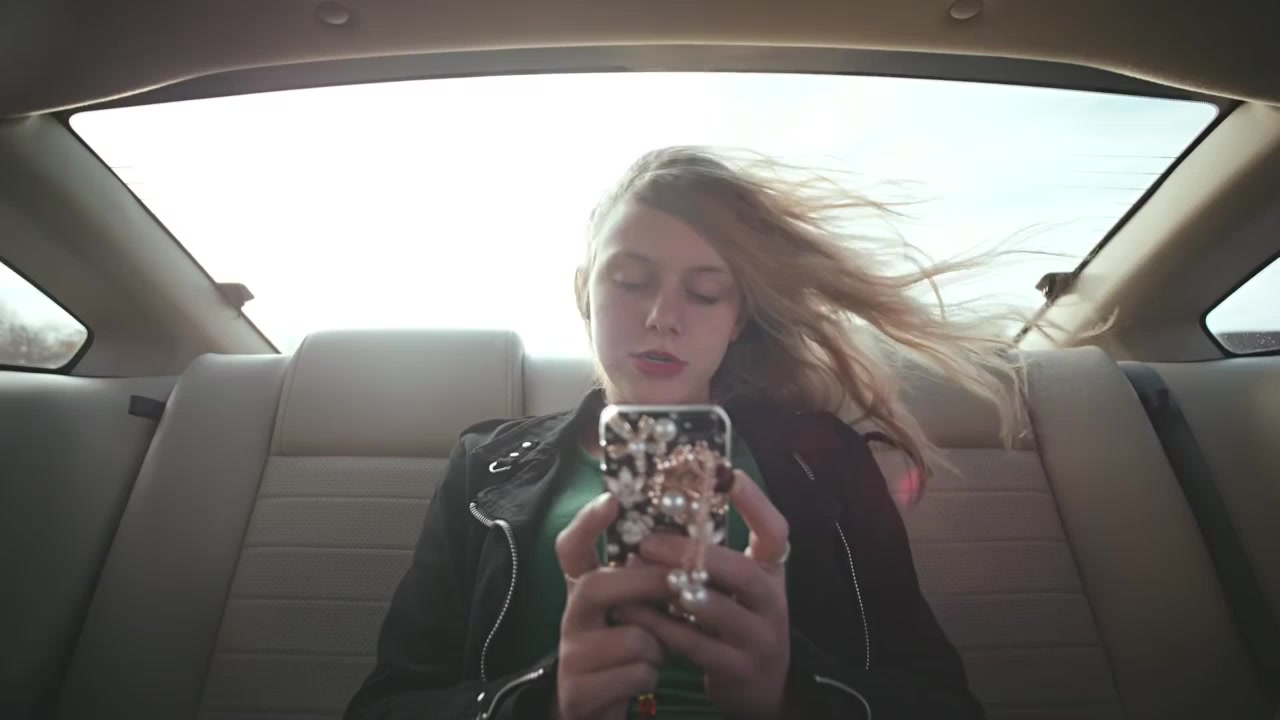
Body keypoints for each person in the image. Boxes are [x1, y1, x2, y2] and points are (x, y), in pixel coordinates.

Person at [345, 147, 1027, 720]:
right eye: (630, 281)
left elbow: (942, 703)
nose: (663, 317)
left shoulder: (826, 457)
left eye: (704, 292)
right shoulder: (485, 464)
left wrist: (795, 693)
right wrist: (538, 703)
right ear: (584, 292)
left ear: (738, 319)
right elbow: (386, 704)